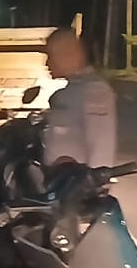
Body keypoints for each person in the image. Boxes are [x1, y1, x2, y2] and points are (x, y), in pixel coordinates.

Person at [41, 28, 117, 166]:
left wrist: (94, 178)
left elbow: (101, 146)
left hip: (76, 179)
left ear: (68, 54)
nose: (47, 63)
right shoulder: (71, 90)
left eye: (51, 55)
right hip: (58, 177)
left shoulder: (94, 90)